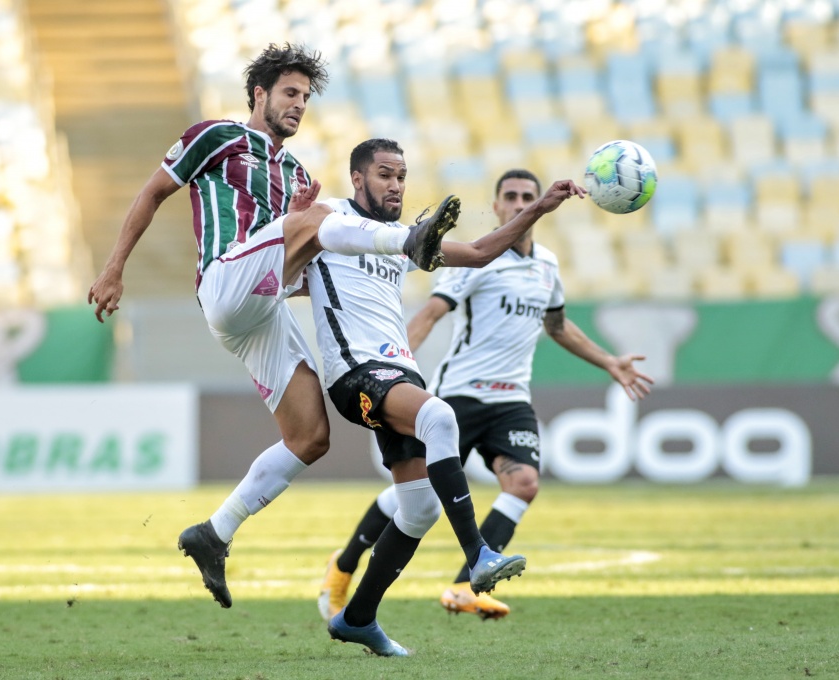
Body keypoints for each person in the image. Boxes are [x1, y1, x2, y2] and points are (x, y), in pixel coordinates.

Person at [87, 44, 459, 610]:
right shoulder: (214, 136)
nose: (299, 105)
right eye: (290, 93)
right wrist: (114, 268)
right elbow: (153, 193)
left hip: (261, 306)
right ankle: (411, 237)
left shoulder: (297, 175)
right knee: (319, 217)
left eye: (305, 97)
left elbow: (303, 265)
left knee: (310, 437)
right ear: (259, 94)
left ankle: (214, 533)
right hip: (224, 279)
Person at [318, 168, 655, 623]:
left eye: (526, 197)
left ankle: (463, 586)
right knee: (414, 498)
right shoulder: (479, 263)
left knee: (524, 483)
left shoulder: (548, 265)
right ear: (497, 207)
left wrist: (609, 361)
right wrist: (394, 368)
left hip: (511, 399)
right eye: (510, 197)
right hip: (460, 396)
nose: (518, 203)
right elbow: (431, 313)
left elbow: (556, 326)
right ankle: (342, 567)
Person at [304, 141, 586, 655]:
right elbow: (282, 259)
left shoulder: (397, 241)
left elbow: (477, 252)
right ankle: (477, 555)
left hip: (397, 373)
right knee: (438, 416)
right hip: (356, 373)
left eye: (402, 176)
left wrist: (544, 207)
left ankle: (358, 617)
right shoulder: (328, 221)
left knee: (418, 509)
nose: (395, 184)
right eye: (384, 174)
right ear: (357, 178)